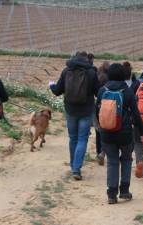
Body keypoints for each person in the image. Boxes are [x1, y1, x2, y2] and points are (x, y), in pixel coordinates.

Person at [96, 63, 143, 204]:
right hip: (124, 133)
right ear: (123, 75)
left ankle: (111, 194)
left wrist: (101, 128)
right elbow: (136, 115)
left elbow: (97, 111)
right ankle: (124, 191)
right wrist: (142, 132)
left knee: (112, 162)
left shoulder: (102, 90)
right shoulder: (128, 91)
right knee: (126, 159)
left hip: (106, 133)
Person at [49, 51, 99, 180]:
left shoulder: (67, 71)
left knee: (73, 138)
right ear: (86, 59)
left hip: (70, 109)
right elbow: (98, 92)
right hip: (86, 110)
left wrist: (51, 85)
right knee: (82, 139)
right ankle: (77, 169)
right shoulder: (91, 72)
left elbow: (57, 91)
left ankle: (73, 166)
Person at [94, 61, 110, 166]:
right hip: (109, 105)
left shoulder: (98, 75)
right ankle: (106, 151)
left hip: (99, 105)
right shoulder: (110, 77)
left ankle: (99, 152)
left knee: (98, 131)